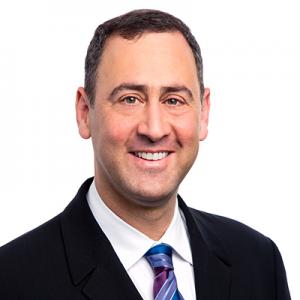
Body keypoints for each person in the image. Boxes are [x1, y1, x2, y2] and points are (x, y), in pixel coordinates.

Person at [0, 9, 291, 300]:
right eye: (130, 99)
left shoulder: (259, 262)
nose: (154, 129)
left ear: (204, 113)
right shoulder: (12, 279)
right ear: (84, 112)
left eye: (174, 100)